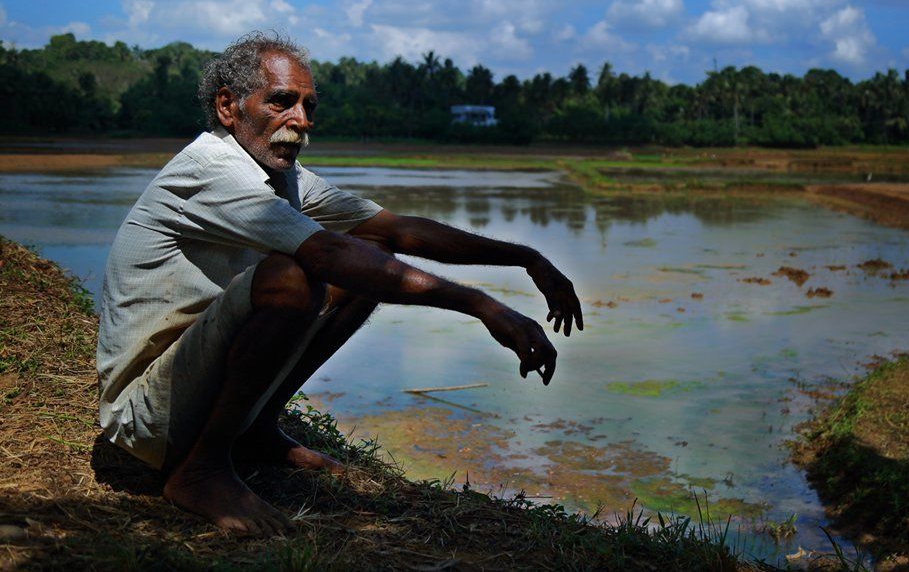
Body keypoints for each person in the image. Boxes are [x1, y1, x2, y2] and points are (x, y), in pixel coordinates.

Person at [96, 32, 583, 536]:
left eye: (308, 106)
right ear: (228, 106)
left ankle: (255, 428)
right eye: (282, 102)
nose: (301, 122)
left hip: (194, 386)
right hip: (146, 417)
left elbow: (392, 228)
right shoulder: (210, 171)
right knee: (293, 275)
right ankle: (200, 470)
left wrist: (526, 258)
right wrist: (482, 305)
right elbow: (325, 252)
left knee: (370, 254)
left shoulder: (280, 174)